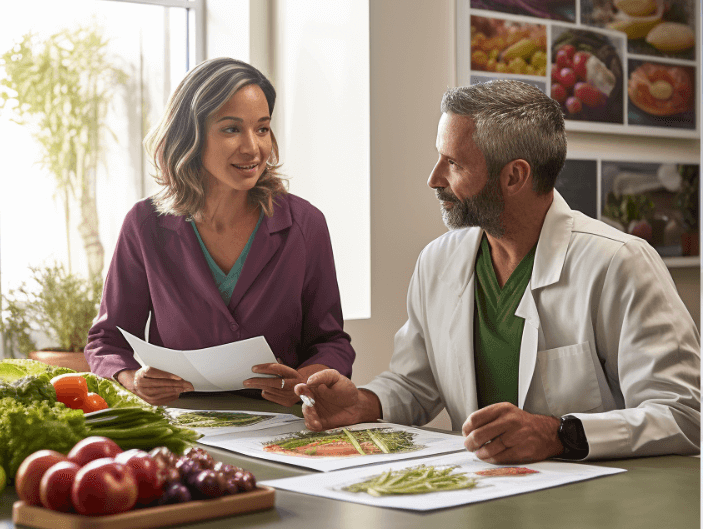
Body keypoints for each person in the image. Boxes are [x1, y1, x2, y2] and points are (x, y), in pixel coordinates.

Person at [296, 79, 700, 463]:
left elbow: (684, 416)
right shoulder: (437, 262)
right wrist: (363, 403)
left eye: (453, 163)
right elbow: (414, 385)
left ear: (514, 176)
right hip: (479, 496)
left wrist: (558, 434)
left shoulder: (620, 263)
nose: (434, 178)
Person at [85, 57, 355, 406]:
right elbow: (106, 341)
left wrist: (302, 382)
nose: (252, 147)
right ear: (191, 136)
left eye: (261, 129)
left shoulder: (306, 225)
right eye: (231, 129)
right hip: (181, 425)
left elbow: (331, 342)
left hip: (279, 427)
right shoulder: (144, 224)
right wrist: (133, 379)